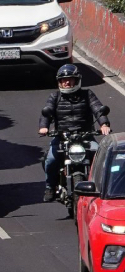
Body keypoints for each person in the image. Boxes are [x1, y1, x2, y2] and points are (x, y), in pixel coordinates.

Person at [39, 64, 111, 202]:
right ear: (59, 82)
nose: (67, 82)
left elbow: (98, 109)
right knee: (50, 160)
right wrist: (44, 127)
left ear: (77, 80)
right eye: (64, 80)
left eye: (70, 79)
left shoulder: (87, 94)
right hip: (62, 138)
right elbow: (46, 113)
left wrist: (104, 124)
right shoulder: (54, 96)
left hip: (85, 136)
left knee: (100, 157)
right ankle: (50, 187)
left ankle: (102, 187)